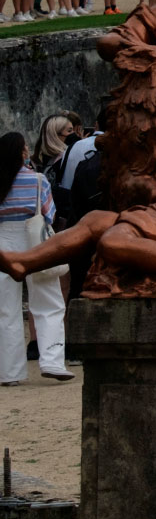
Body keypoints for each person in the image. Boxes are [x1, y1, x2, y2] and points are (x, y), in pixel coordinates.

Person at [0, 133, 68, 384]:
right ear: (22, 153)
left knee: (5, 310)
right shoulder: (38, 180)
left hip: (3, 245)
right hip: (34, 242)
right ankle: (52, 361)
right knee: (48, 301)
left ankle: (9, 371)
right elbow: (49, 215)